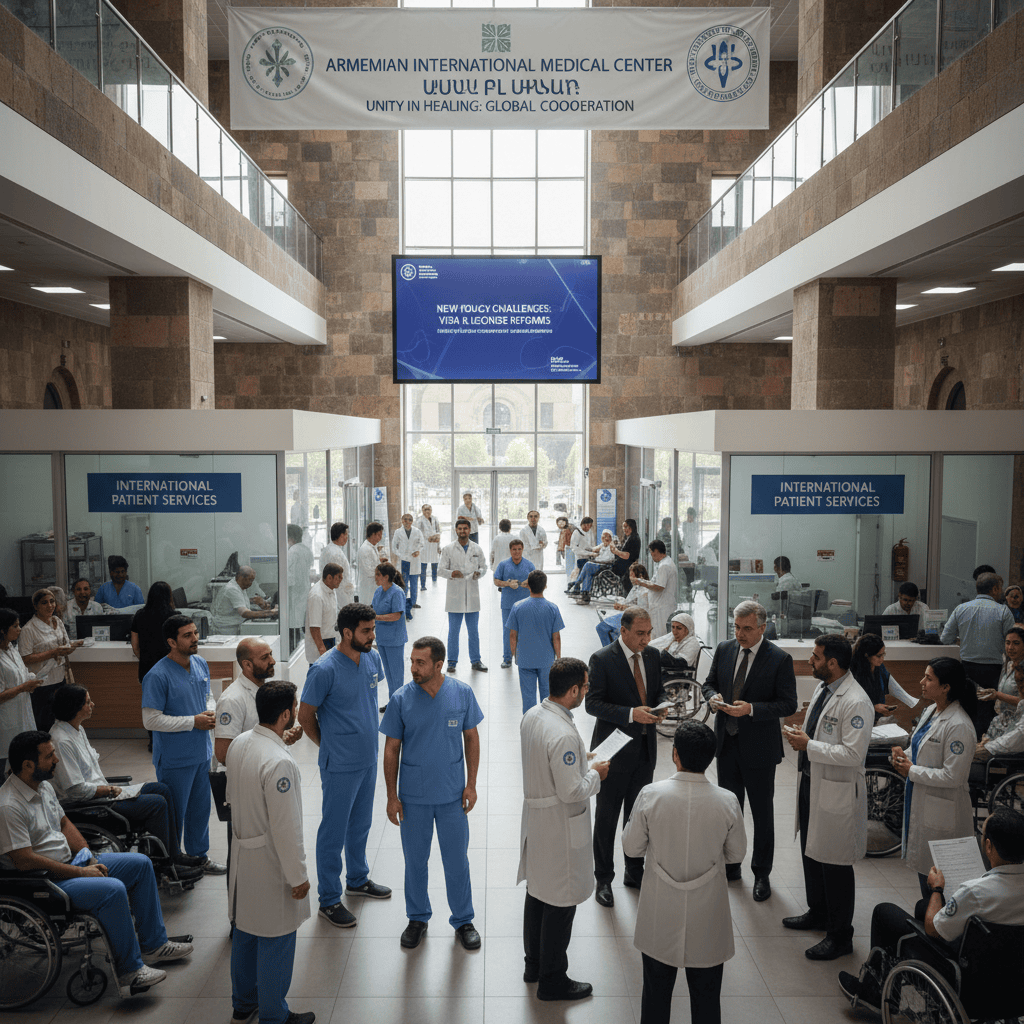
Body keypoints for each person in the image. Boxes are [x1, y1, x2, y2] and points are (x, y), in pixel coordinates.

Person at [0, 730, 192, 995]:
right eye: (50, 755)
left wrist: (87, 854)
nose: (56, 759)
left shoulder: (42, 786)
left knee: (140, 864)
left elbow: (65, 823)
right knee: (111, 889)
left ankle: (155, 943)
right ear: (28, 765)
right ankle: (131, 970)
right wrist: (80, 871)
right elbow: (24, 860)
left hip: (70, 862)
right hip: (46, 878)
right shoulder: (9, 805)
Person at [838, 807, 1024, 1016]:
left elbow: (932, 928)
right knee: (921, 906)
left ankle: (874, 992)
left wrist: (936, 889)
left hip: (971, 987)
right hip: (1016, 986)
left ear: (989, 846)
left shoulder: (975, 892)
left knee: (885, 913)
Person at [622, 720, 747, 1024]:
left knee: (655, 999)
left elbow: (631, 848)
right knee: (706, 1002)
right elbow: (736, 855)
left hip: (660, 912)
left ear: (674, 754)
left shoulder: (651, 795)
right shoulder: (728, 801)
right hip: (708, 916)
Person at [381, 636, 483, 950]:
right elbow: (391, 750)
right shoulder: (401, 699)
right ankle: (417, 918)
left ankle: (463, 919)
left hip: (452, 794)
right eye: (411, 661)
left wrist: (471, 784)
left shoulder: (461, 694)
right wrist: (391, 796)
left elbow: (472, 739)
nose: (413, 667)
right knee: (415, 861)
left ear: (438, 665)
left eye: (420, 662)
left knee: (456, 861)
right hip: (413, 796)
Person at [519, 657, 610, 1001]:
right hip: (559, 825)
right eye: (585, 687)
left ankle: (534, 964)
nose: (586, 691)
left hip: (538, 820)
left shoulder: (534, 715)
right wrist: (596, 774)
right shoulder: (562, 733)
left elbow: (548, 762)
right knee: (560, 901)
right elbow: (571, 790)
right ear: (573, 690)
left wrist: (582, 760)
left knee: (538, 893)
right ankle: (553, 980)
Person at [48, 684, 204, 883]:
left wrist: (109, 789)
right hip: (91, 804)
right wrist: (107, 789)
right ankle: (167, 865)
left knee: (163, 789)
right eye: (88, 702)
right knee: (156, 803)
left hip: (103, 793)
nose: (92, 705)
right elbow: (75, 790)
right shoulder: (61, 740)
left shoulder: (76, 730)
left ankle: (173, 853)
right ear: (74, 707)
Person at [298, 603, 392, 928]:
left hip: (367, 759)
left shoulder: (371, 658)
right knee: (333, 831)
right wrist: (328, 745)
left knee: (361, 824)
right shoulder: (324, 669)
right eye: (366, 631)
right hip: (339, 763)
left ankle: (357, 878)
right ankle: (328, 898)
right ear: (348, 632)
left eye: (373, 629)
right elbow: (305, 716)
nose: (372, 636)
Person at [227, 682, 315, 1024]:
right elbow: (286, 828)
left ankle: (243, 1002)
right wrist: (299, 877)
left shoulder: (239, 743)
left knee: (246, 933)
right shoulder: (279, 762)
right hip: (269, 862)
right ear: (286, 715)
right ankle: (275, 1015)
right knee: (277, 938)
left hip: (242, 855)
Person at [782, 635, 874, 960]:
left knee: (834, 863)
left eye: (816, 656)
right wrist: (802, 737)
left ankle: (840, 935)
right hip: (812, 783)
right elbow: (817, 733)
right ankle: (817, 913)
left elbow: (852, 753)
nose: (810, 660)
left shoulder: (857, 701)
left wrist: (809, 746)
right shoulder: (824, 688)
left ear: (832, 664)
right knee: (812, 852)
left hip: (837, 791)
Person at [700, 599, 798, 901]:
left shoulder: (779, 659)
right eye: (736, 627)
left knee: (762, 813)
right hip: (727, 745)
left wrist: (752, 709)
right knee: (730, 810)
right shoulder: (725, 649)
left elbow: (788, 704)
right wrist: (713, 697)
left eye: (747, 629)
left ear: (762, 628)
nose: (740, 634)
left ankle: (761, 873)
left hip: (759, 750)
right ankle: (731, 866)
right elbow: (708, 683)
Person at [587, 606, 666, 907]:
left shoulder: (653, 656)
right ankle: (603, 879)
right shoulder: (603, 659)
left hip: (646, 751)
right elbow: (593, 704)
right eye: (640, 634)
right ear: (624, 631)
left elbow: (655, 692)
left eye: (649, 633)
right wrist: (631, 714)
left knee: (637, 818)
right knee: (606, 817)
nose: (647, 639)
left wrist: (661, 706)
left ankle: (634, 872)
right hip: (613, 753)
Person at [141, 614, 225, 874]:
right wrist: (193, 721)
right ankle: (172, 861)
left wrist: (210, 710)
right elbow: (150, 720)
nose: (195, 639)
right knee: (174, 814)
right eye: (187, 635)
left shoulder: (199, 663)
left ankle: (199, 856)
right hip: (175, 759)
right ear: (171, 642)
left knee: (201, 810)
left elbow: (207, 695)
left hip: (201, 752)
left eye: (195, 633)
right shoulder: (157, 675)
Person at [890, 657, 977, 895]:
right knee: (924, 873)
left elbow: (953, 777)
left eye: (929, 678)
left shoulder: (959, 725)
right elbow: (917, 749)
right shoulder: (931, 711)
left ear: (946, 687)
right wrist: (901, 756)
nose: (922, 682)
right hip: (921, 799)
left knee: (941, 884)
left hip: (943, 813)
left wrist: (912, 771)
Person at [941, 572, 1016, 737]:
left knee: (967, 710)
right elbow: (1011, 641)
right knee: (988, 713)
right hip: (994, 671)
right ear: (995, 589)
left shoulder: (961, 608)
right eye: (1001, 588)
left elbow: (945, 638)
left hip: (967, 670)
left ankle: (966, 747)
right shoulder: (1003, 611)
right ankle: (983, 751)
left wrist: (967, 639)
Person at [216, 638, 302, 767]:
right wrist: (272, 742)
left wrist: (283, 735)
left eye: (271, 654)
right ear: (247, 665)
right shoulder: (232, 700)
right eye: (264, 658)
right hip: (249, 778)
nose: (272, 661)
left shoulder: (265, 692)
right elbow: (223, 755)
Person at [19, 587, 81, 732]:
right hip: (42, 682)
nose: (50, 606)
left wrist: (71, 647)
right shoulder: (29, 629)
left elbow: (65, 643)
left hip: (60, 678)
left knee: (60, 718)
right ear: (35, 606)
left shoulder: (57, 621)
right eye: (44, 603)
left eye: (52, 601)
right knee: (44, 721)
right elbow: (26, 658)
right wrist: (54, 652)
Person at [507, 570, 565, 714]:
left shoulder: (517, 607)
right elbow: (556, 637)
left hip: (525, 659)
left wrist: (515, 655)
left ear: (528, 586)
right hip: (546, 660)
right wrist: (558, 658)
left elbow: (512, 635)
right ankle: (545, 725)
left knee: (528, 697)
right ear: (545, 586)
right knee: (547, 697)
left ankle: (529, 725)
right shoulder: (552, 608)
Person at [438, 518, 489, 674]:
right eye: (459, 529)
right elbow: (440, 570)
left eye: (465, 528)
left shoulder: (477, 549)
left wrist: (479, 573)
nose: (462, 531)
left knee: (473, 631)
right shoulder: (448, 549)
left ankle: (476, 661)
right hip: (455, 596)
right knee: (453, 631)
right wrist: (451, 573)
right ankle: (452, 662)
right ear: (456, 530)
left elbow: (484, 566)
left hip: (472, 594)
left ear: (470, 530)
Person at [0, 607, 40, 778]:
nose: (20, 629)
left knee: (21, 760)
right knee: (5, 763)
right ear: (2, 630)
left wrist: (31, 681)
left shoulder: (12, 649)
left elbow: (22, 673)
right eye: (15, 626)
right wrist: (23, 687)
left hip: (22, 713)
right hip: (5, 719)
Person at [971, 657, 1024, 780]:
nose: (1019, 689)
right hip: (1003, 747)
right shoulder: (1021, 706)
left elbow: (1016, 738)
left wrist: (989, 746)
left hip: (1008, 757)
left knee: (962, 757)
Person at [493, 538, 534, 669]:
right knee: (508, 632)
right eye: (514, 549)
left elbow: (536, 581)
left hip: (526, 604)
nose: (516, 552)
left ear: (522, 550)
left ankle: (525, 658)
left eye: (519, 549)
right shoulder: (503, 565)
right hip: (508, 604)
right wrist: (507, 584)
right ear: (510, 550)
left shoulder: (529, 565)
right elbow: (496, 580)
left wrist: (528, 582)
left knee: (526, 631)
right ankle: (507, 658)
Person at [372, 563, 408, 707]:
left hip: (394, 639)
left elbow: (396, 616)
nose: (375, 578)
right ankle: (393, 702)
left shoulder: (397, 592)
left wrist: (377, 618)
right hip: (382, 638)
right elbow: (373, 609)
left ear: (386, 577)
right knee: (389, 674)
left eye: (377, 575)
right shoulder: (378, 591)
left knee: (397, 675)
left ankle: (400, 705)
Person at [595, 564, 651, 647]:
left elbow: (642, 610)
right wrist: (622, 606)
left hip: (633, 618)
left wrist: (625, 607)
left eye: (632, 575)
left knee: (601, 628)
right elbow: (631, 602)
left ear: (640, 576)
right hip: (628, 614)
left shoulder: (644, 591)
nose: (630, 578)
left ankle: (608, 652)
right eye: (630, 575)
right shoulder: (636, 587)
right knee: (606, 628)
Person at [632, 540, 678, 636]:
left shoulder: (664, 566)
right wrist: (643, 581)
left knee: (659, 636)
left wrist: (642, 583)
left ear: (656, 551)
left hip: (661, 608)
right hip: (660, 606)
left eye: (651, 552)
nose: (651, 555)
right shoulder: (664, 563)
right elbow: (655, 583)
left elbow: (659, 587)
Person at [212, 567, 276, 635]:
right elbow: (245, 613)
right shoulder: (232, 589)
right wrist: (271, 612)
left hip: (233, 628)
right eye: (250, 580)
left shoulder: (240, 586)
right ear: (241, 578)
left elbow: (239, 603)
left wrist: (254, 601)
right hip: (226, 630)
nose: (251, 584)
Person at [849, 633, 899, 720]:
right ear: (866, 655)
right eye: (879, 656)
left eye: (883, 654)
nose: (882, 659)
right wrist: (874, 707)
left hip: (874, 718)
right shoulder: (852, 674)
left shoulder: (878, 668)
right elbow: (851, 704)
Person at [305, 563, 343, 662]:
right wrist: (322, 650)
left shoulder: (331, 589)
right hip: (320, 642)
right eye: (339, 577)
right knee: (319, 674)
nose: (341, 580)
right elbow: (314, 627)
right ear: (329, 577)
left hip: (331, 638)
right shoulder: (317, 596)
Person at [569, 528, 616, 604]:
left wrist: (596, 560)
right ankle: (585, 596)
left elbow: (610, 559)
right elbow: (592, 549)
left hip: (605, 566)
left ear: (610, 538)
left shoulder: (611, 545)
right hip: (599, 565)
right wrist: (582, 547)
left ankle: (576, 584)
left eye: (607, 536)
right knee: (588, 573)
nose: (605, 538)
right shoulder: (602, 545)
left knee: (588, 564)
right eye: (604, 536)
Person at [391, 512, 424, 618]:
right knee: (404, 584)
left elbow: (422, 543)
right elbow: (394, 547)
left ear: (412, 521)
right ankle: (403, 603)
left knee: (414, 584)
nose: (407, 521)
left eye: (410, 519)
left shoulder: (417, 531)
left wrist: (418, 551)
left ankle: (413, 602)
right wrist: (401, 555)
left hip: (414, 560)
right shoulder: (398, 532)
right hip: (404, 560)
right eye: (405, 519)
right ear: (402, 520)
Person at [287, 524, 314, 649]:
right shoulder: (305, 549)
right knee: (300, 623)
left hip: (295, 593)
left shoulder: (292, 551)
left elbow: (289, 577)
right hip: (303, 590)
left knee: (293, 625)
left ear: (290, 536)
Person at [319, 521, 356, 608]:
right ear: (341, 535)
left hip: (335, 596)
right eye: (346, 534)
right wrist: (345, 602)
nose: (347, 537)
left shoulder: (330, 549)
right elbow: (336, 581)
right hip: (339, 599)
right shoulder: (335, 553)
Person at [356, 521, 387, 603]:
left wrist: (380, 561)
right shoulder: (365, 549)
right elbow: (368, 570)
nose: (380, 537)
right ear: (373, 534)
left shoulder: (372, 547)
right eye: (379, 534)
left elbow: (372, 563)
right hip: (368, 587)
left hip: (374, 586)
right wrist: (382, 571)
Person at [609, 518, 641, 593]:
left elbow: (627, 555)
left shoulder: (633, 538)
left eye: (626, 527)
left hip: (626, 567)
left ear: (632, 527)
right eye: (623, 527)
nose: (624, 529)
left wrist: (616, 551)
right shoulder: (630, 537)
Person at [414, 504, 441, 588]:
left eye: (429, 509)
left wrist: (436, 536)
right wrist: (428, 537)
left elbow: (439, 530)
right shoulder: (419, 520)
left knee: (434, 563)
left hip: (434, 544)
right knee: (423, 565)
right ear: (422, 510)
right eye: (425, 510)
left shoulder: (435, 519)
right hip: (424, 545)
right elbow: (418, 533)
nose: (427, 511)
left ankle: (434, 581)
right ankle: (423, 585)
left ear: (431, 510)